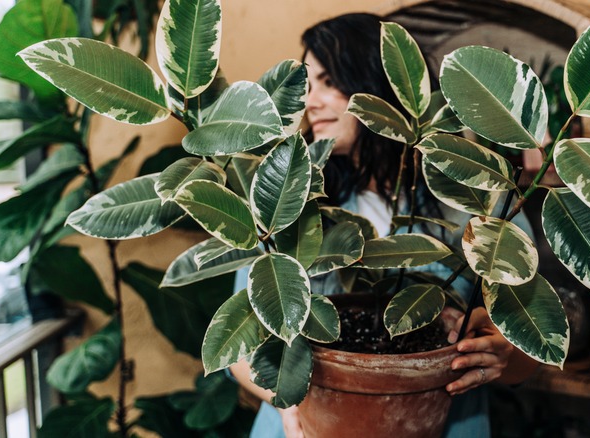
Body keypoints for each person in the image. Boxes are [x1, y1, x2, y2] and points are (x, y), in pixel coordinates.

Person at [229, 13, 538, 438]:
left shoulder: (479, 202)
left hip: (440, 423)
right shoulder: (289, 203)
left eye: (330, 82)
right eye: (307, 86)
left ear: (380, 89)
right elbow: (239, 350)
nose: (310, 102)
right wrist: (291, 400)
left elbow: (532, 349)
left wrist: (502, 352)